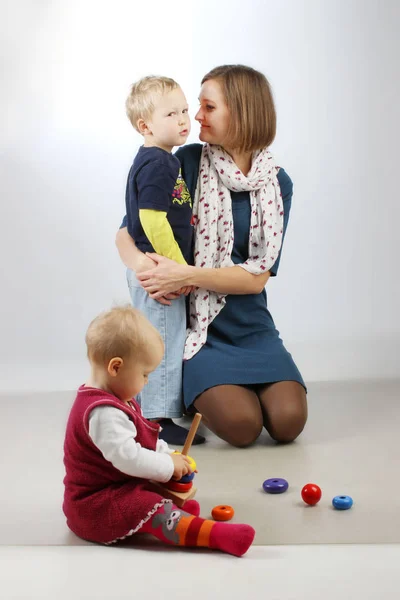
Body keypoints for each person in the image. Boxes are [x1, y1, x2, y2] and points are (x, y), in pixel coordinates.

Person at [116, 64, 308, 448]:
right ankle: (182, 392)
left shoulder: (278, 183)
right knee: (242, 427)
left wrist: (184, 273)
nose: (195, 116)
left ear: (241, 113)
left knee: (288, 423)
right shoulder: (183, 162)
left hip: (252, 326)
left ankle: (224, 387)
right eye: (194, 107)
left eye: (207, 107)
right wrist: (147, 269)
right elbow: (128, 230)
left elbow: (257, 277)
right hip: (198, 330)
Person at [63, 305, 255, 556]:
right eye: (144, 374)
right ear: (116, 367)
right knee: (149, 506)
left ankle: (176, 514)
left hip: (118, 484)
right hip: (95, 505)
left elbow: (143, 438)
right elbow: (129, 458)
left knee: (152, 491)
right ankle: (214, 536)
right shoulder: (103, 413)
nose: (146, 382)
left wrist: (169, 455)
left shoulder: (118, 398)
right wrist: (167, 467)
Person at [123, 75, 204, 445]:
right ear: (145, 125)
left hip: (153, 266)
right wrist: (176, 267)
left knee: (157, 337)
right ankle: (157, 418)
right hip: (159, 270)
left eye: (185, 110)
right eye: (171, 113)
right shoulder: (159, 164)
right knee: (162, 340)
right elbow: (152, 219)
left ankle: (147, 410)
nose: (183, 119)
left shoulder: (156, 159)